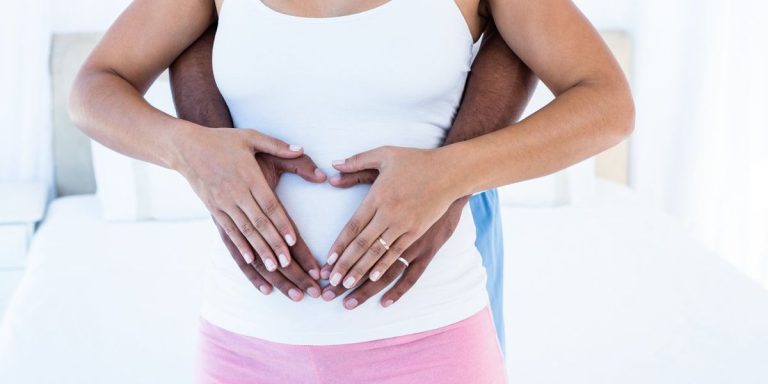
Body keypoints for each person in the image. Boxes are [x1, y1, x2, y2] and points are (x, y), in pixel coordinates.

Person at [70, 0, 634, 382]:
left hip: (428, 340)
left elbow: (606, 104)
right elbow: (95, 87)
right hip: (244, 344)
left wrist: (451, 173)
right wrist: (186, 149)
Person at [168, 20, 535, 356]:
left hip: (437, 205)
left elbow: (524, 32)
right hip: (251, 329)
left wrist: (453, 176)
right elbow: (187, 28)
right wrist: (214, 160)